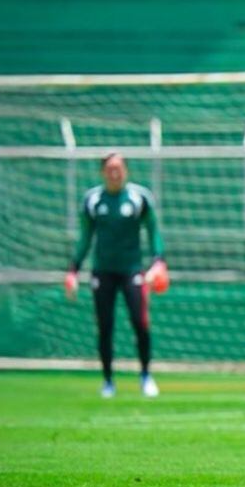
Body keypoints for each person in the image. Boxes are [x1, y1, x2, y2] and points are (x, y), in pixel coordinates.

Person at [64, 152, 166, 400]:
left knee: (140, 323)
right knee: (105, 327)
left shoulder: (139, 198)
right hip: (103, 271)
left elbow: (153, 230)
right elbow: (85, 238)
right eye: (110, 168)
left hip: (132, 271)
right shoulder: (92, 200)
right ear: (102, 172)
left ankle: (145, 376)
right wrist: (73, 270)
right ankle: (108, 381)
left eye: (119, 168)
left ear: (126, 171)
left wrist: (159, 262)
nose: (114, 172)